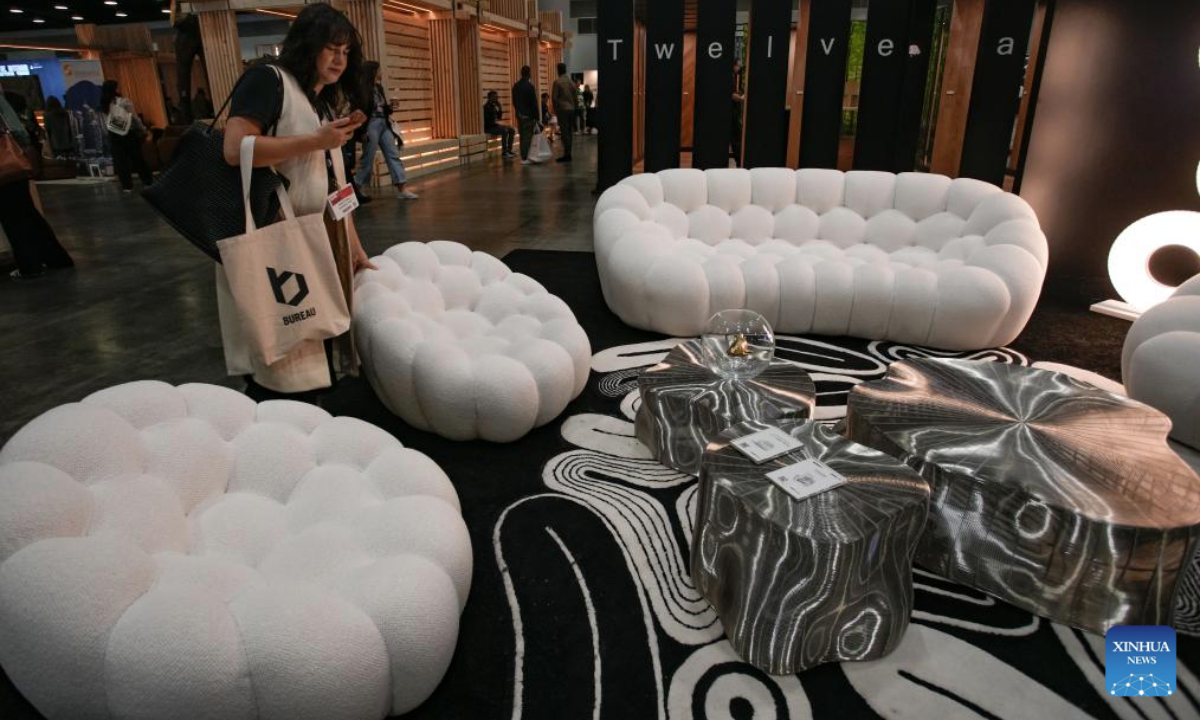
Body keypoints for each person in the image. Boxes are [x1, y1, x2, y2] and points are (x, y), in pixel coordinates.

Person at [221, 2, 375, 401]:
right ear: (308, 45)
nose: (340, 59)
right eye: (331, 49)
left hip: (317, 235)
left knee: (312, 339)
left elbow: (331, 182)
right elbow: (235, 149)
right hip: (279, 234)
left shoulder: (318, 100)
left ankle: (306, 418)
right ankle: (275, 423)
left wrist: (353, 244)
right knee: (284, 343)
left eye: (346, 52)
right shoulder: (268, 81)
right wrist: (316, 140)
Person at [0, 89, 74, 280]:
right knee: (27, 213)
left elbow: (14, 128)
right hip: (13, 162)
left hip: (5, 165)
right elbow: (16, 128)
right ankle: (56, 258)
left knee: (13, 219)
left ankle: (30, 266)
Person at [354, 60, 416, 199]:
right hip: (371, 123)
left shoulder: (379, 88)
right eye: (379, 69)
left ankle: (402, 189)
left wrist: (390, 107)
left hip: (384, 123)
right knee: (368, 158)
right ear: (373, 72)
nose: (381, 72)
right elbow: (363, 109)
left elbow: (381, 107)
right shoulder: (364, 88)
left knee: (392, 154)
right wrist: (363, 130)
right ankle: (356, 189)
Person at [99, 80, 153, 192]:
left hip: (113, 135)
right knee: (137, 159)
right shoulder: (124, 102)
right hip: (128, 133)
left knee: (120, 162)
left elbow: (105, 123)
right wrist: (143, 130)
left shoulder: (103, 104)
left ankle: (127, 186)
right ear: (115, 89)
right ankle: (148, 181)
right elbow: (135, 118)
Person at [511, 65, 539, 165]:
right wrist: (537, 117)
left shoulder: (516, 86)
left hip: (520, 115)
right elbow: (534, 103)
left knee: (522, 136)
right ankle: (525, 157)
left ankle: (524, 156)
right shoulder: (530, 87)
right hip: (529, 116)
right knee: (527, 137)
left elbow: (514, 101)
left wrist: (518, 112)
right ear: (529, 74)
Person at [550, 63, 575, 162]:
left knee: (564, 133)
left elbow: (554, 98)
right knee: (569, 132)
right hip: (571, 109)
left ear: (558, 70)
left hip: (563, 110)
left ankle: (567, 155)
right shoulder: (571, 82)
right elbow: (575, 97)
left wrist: (556, 110)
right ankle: (569, 153)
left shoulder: (557, 82)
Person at [483, 90, 515, 159]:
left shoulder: (495, 106)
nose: (496, 98)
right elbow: (490, 121)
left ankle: (509, 150)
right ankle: (504, 152)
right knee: (505, 130)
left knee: (512, 129)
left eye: (497, 97)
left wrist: (500, 108)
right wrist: (500, 125)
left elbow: (499, 117)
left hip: (495, 126)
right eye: (495, 97)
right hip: (489, 127)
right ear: (489, 98)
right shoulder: (486, 107)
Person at [731, 58, 745, 168]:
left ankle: (738, 161)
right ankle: (739, 161)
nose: (739, 68)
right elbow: (731, 95)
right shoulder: (730, 77)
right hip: (732, 112)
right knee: (736, 137)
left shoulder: (736, 77)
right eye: (738, 66)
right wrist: (742, 98)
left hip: (735, 110)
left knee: (737, 137)